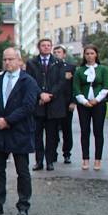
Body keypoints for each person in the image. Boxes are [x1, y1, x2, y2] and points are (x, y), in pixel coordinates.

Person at [0, 48, 40, 215]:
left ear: (19, 61)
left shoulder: (28, 81)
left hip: (19, 131)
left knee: (22, 171)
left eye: (11, 59)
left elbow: (28, 106)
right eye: (5, 59)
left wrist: (8, 120)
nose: (7, 62)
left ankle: (23, 205)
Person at [25, 38, 67, 171]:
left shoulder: (58, 63)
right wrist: (40, 94)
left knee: (51, 135)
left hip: (53, 104)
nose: (46, 47)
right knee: (37, 135)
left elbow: (61, 82)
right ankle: (39, 161)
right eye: (43, 45)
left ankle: (50, 161)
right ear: (39, 47)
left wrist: (50, 95)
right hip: (38, 104)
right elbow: (30, 81)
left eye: (49, 45)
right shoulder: (32, 63)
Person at [72, 44, 108, 171]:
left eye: (92, 53)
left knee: (98, 131)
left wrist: (96, 100)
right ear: (84, 55)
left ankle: (98, 160)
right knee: (85, 131)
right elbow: (76, 88)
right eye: (87, 53)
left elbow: (106, 86)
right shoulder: (79, 71)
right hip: (84, 104)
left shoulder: (103, 69)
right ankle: (85, 159)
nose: (89, 56)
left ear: (96, 55)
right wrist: (83, 101)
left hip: (99, 104)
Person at [53, 45, 76, 164]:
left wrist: (73, 101)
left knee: (67, 129)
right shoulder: (51, 68)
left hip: (67, 103)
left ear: (64, 54)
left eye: (59, 52)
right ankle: (53, 154)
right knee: (53, 130)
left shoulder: (71, 68)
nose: (57, 54)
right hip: (54, 103)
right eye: (55, 52)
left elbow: (74, 86)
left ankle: (67, 153)